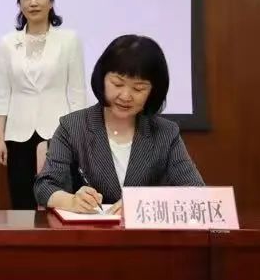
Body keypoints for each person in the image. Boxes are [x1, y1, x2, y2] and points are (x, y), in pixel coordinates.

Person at [34, 34, 204, 214]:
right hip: (89, 230)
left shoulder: (165, 132)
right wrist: (72, 201)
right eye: (117, 84)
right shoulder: (72, 126)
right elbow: (44, 187)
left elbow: (196, 191)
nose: (125, 96)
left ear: (153, 92)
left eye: (138, 88)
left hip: (145, 231)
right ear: (102, 78)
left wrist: (142, 203)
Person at [0, 0, 87, 209]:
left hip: (59, 132)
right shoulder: (7, 43)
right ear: (19, 4)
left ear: (51, 1)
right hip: (18, 133)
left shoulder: (69, 40)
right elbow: (2, 94)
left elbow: (77, 93)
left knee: (59, 199)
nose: (33, 3)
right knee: (22, 201)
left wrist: (79, 136)